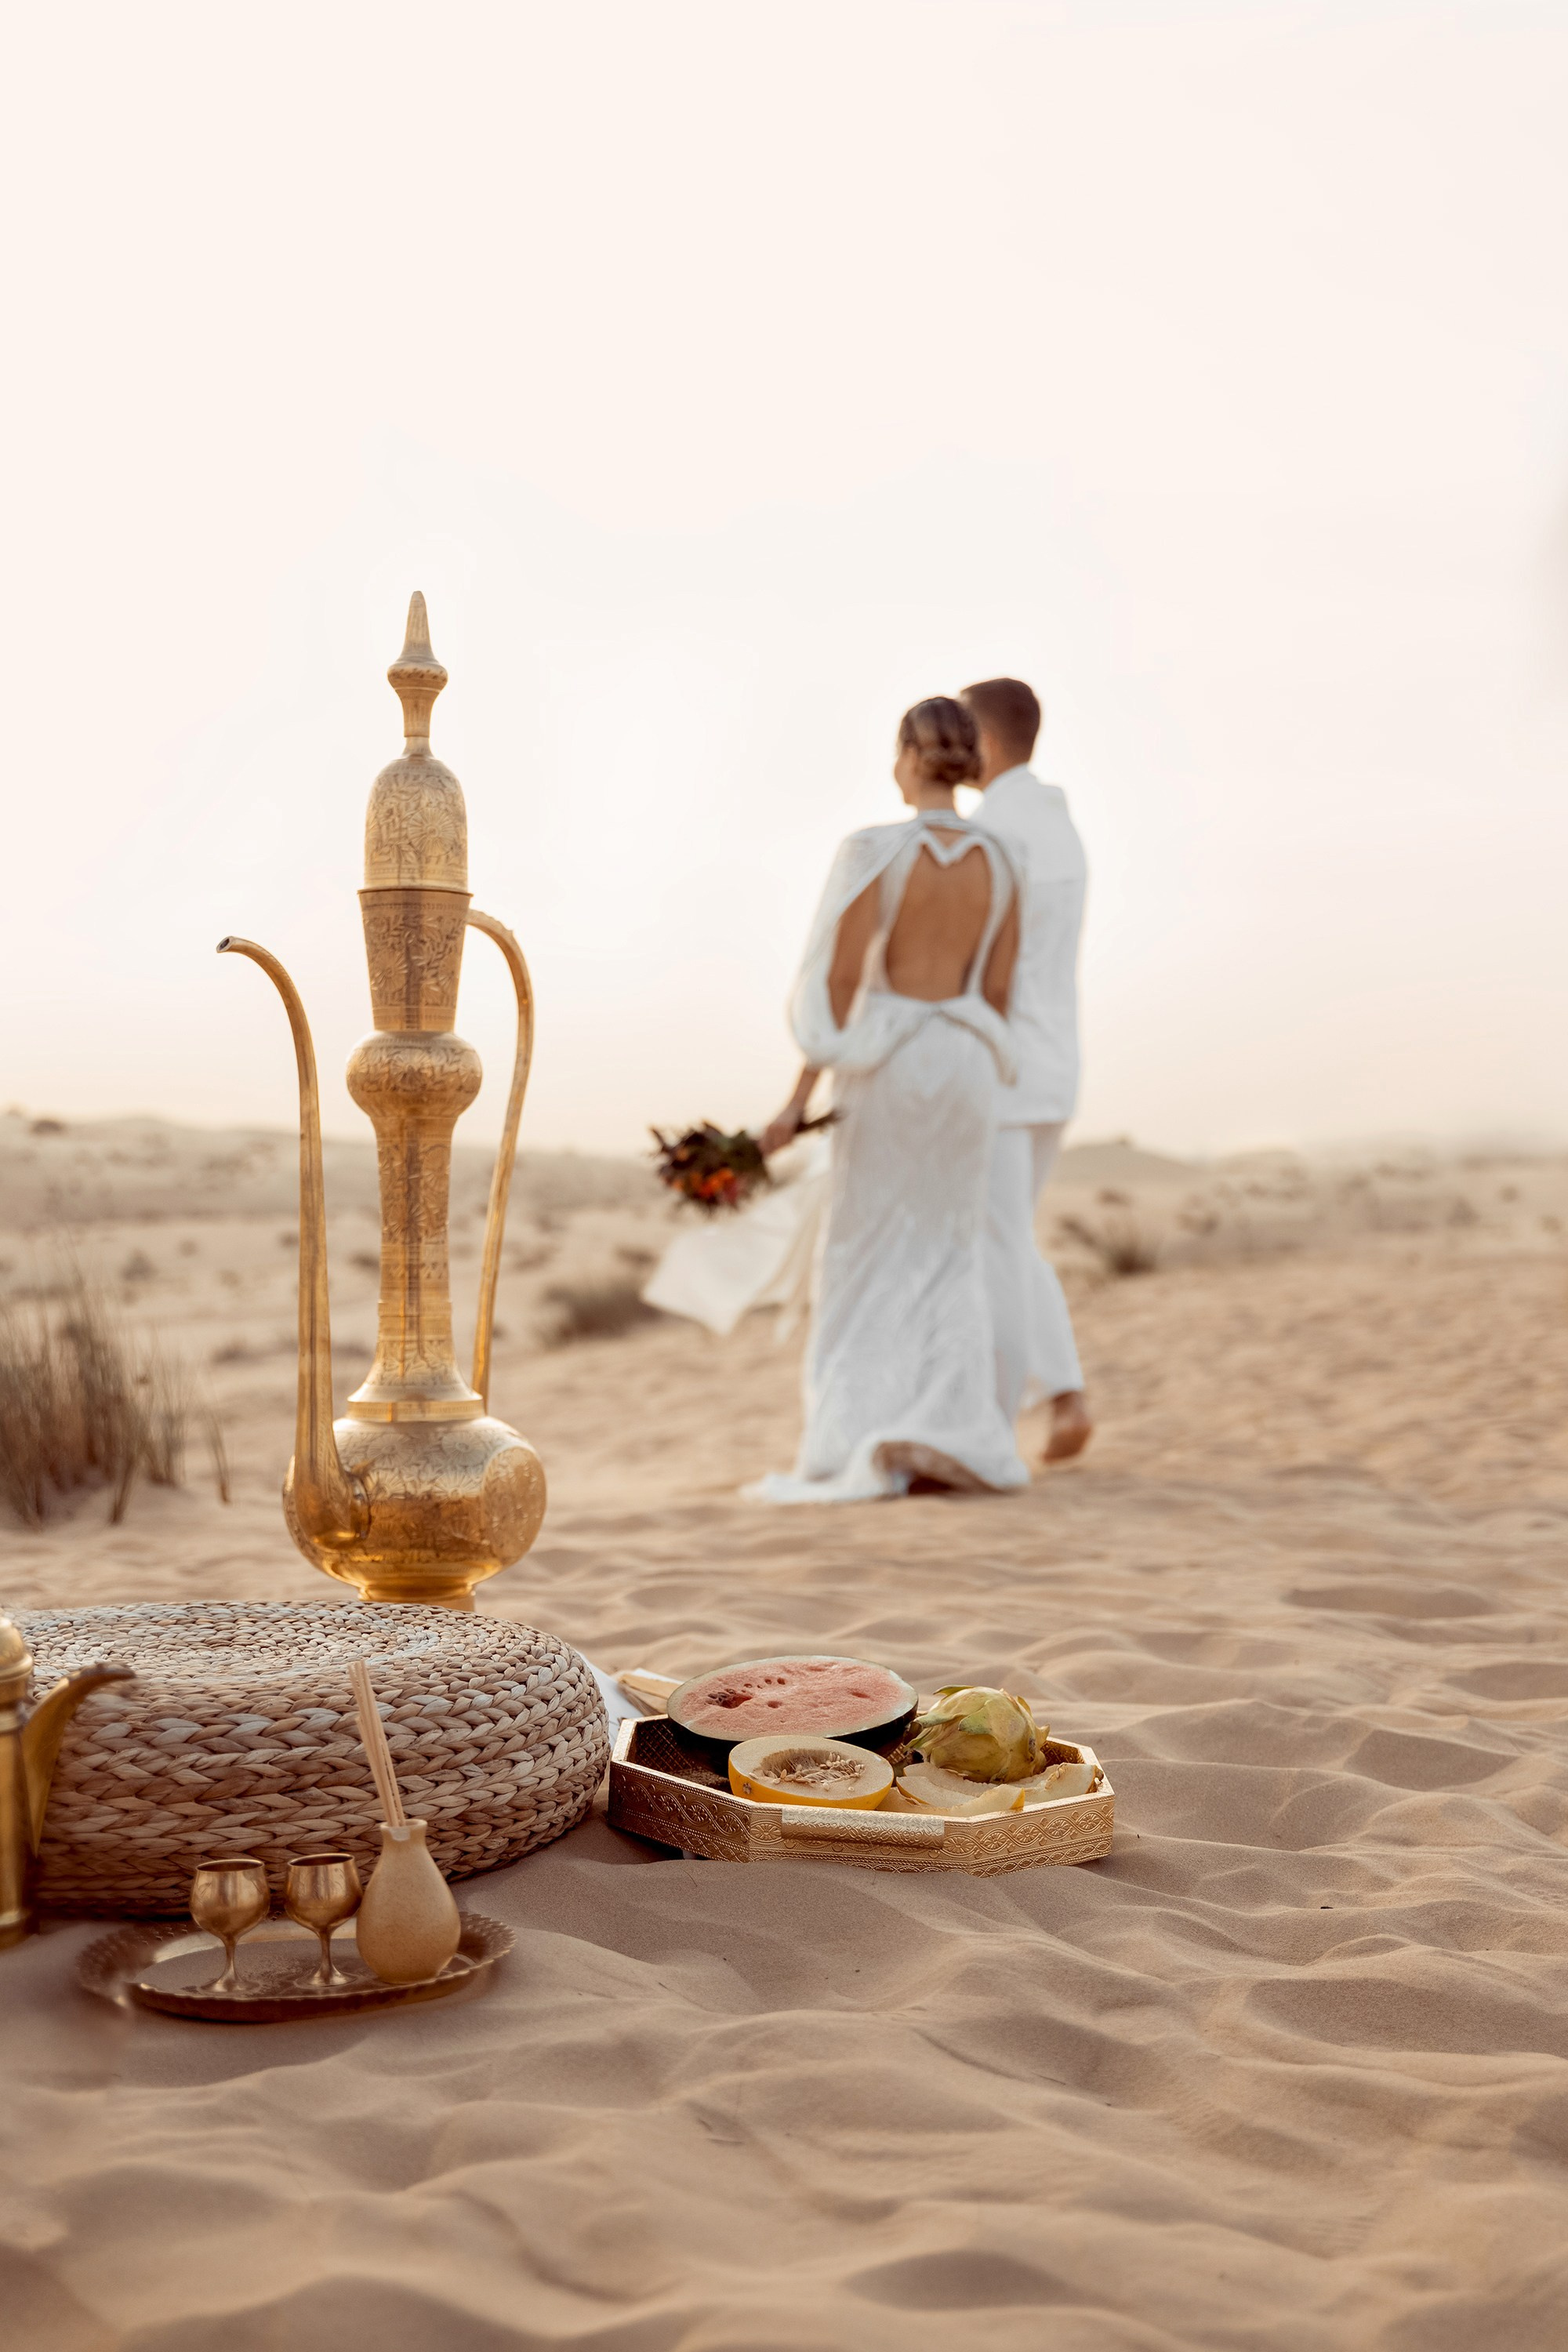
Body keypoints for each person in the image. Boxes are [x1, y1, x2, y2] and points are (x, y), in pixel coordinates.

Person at [750, 697, 1029, 1502]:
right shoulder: (1006, 859)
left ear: (910, 755)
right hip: (968, 1061)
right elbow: (999, 989)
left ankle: (855, 1439)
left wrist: (797, 1099)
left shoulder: (874, 850)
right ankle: (948, 1432)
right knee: (948, 1249)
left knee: (865, 1249)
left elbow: (840, 985)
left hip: (891, 1064)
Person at [961, 677, 1092, 1462]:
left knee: (999, 1247)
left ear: (984, 739)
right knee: (1011, 1238)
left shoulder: (992, 834)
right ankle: (1062, 1396)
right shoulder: (1058, 824)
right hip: (1057, 1061)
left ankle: (1000, 1425)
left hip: (1004, 1066)